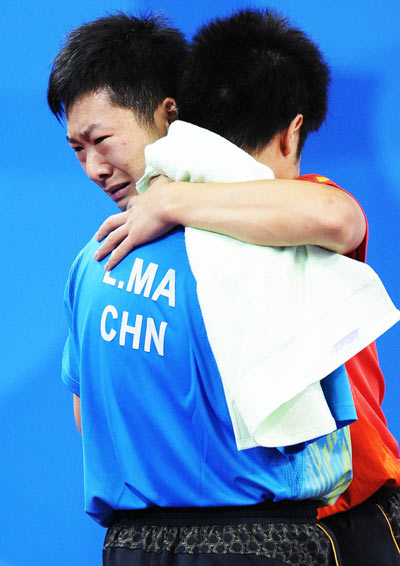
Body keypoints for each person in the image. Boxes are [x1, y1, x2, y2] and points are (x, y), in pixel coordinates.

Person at [47, 10, 366, 566]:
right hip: (266, 539)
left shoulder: (92, 263)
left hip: (132, 544)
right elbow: (323, 442)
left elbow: (88, 420)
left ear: (169, 113)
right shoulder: (282, 241)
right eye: (78, 149)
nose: (95, 169)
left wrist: (170, 202)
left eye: (101, 140)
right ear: (292, 134)